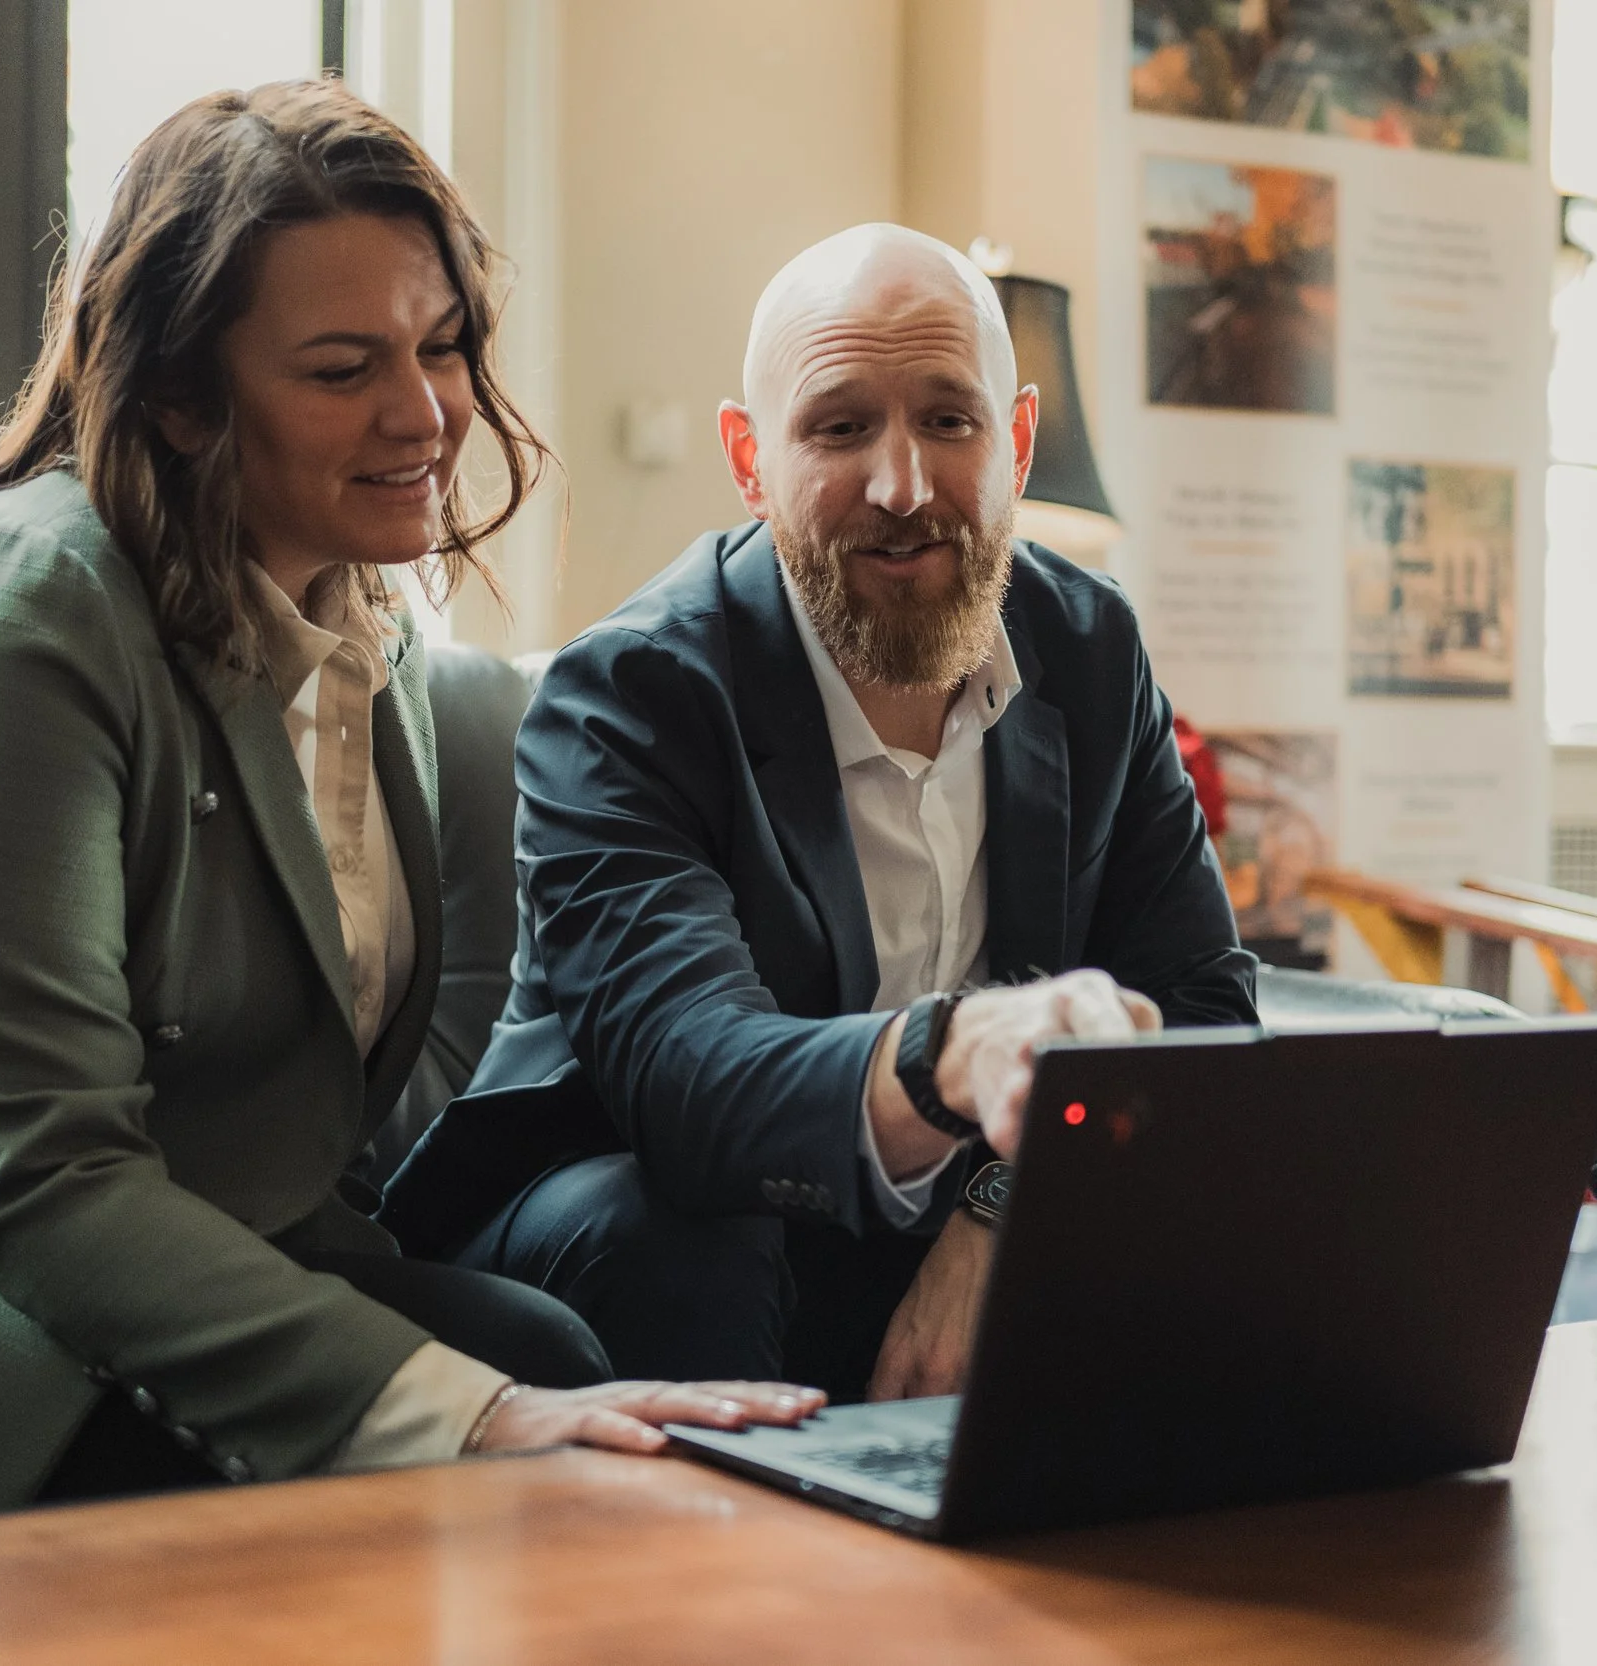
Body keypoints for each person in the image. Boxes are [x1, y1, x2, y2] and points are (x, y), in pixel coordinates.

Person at [0, 81, 817, 1554]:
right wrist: (474, 1414)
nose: (427, 411)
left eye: (442, 346)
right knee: (490, 1439)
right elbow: (48, 1178)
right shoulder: (10, 616)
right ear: (182, 395)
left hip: (117, 1294)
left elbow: (289, 1138)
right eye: (341, 368)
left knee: (555, 1361)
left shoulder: (356, 628)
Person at [383, 224, 1258, 1403]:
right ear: (749, 459)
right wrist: (955, 1057)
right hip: (644, 1220)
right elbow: (691, 1080)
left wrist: (1003, 1209)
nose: (902, 488)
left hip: (944, 1212)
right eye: (840, 427)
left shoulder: (1089, 647)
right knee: (681, 1233)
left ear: (1020, 441)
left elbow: (1202, 1007)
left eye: (950, 420)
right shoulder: (631, 692)